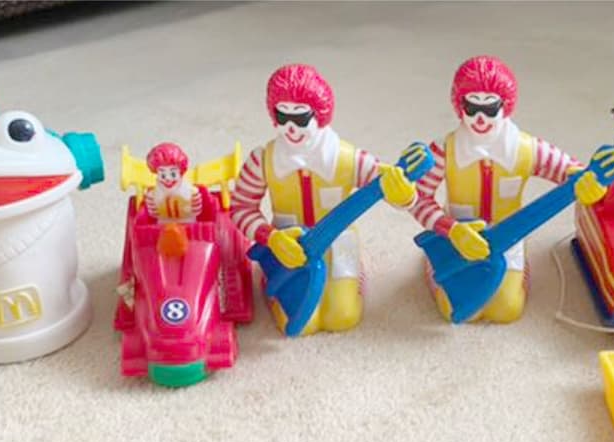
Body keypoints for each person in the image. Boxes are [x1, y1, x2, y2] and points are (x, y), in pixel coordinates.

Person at [231, 63, 417, 335]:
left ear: (319, 114)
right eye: (283, 116)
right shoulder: (263, 159)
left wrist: (404, 194)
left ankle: (354, 274)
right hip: (287, 244)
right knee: (301, 322)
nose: (291, 128)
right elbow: (241, 206)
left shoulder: (347, 158)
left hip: (339, 240)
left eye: (301, 117)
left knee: (342, 316)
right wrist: (270, 237)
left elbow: (388, 183)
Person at [409, 55, 581, 323]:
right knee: (457, 308)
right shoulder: (444, 149)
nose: (480, 118)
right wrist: (449, 228)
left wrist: (588, 182)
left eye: (490, 108)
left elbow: (569, 170)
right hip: (456, 238)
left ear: (506, 105)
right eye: (471, 107)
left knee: (506, 309)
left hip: (508, 238)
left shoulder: (527, 149)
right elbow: (418, 196)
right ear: (459, 105)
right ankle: (435, 266)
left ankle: (519, 271)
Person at [144, 142, 202, 257]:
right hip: (162, 227)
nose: (168, 179)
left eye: (173, 174)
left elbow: (196, 210)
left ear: (180, 172)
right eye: (163, 175)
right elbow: (153, 213)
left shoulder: (191, 192)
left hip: (189, 225)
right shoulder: (153, 195)